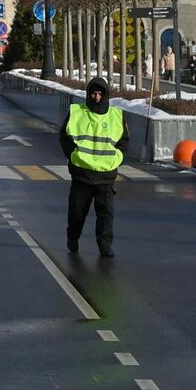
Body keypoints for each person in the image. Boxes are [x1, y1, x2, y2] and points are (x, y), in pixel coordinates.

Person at [60, 76, 127, 257]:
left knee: (106, 215)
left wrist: (117, 158)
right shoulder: (76, 112)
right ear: (88, 94)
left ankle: (105, 246)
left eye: (100, 94)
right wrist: (73, 155)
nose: (96, 97)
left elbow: (124, 142)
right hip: (82, 174)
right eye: (93, 93)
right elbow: (64, 137)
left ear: (105, 96)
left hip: (105, 175)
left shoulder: (116, 116)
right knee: (77, 213)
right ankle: (73, 238)